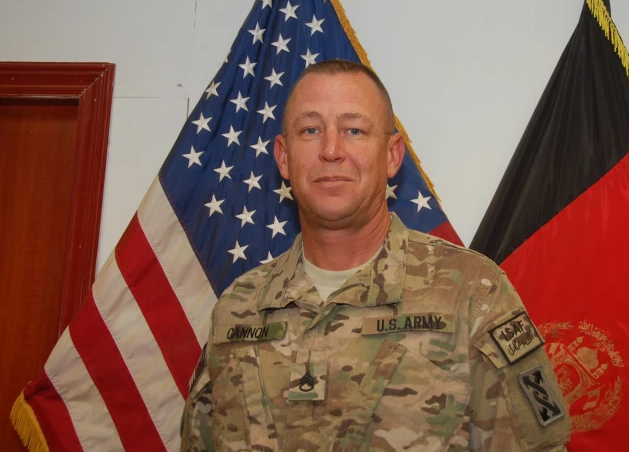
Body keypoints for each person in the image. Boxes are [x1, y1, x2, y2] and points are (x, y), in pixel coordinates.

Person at [180, 59, 571, 452]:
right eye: (310, 130)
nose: (331, 150)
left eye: (354, 130)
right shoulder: (237, 310)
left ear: (392, 154)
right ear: (283, 157)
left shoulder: (472, 296)